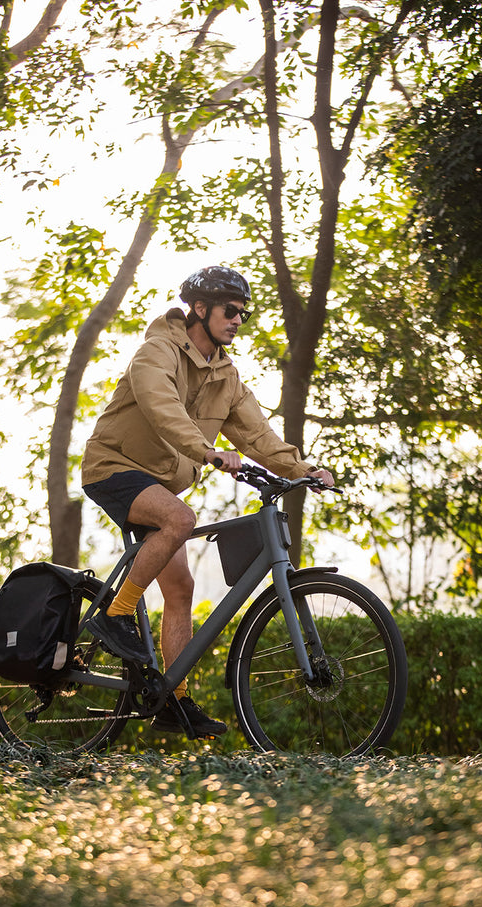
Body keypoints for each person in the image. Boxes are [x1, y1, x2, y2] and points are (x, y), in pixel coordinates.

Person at [81, 265, 334, 738]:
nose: (238, 320)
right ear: (200, 309)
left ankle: (170, 700)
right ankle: (115, 618)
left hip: (159, 485)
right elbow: (162, 408)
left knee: (180, 590)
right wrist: (208, 451)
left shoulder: (225, 376)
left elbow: (257, 435)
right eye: (230, 311)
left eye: (244, 314)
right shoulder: (156, 352)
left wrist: (304, 471)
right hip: (114, 467)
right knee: (180, 518)